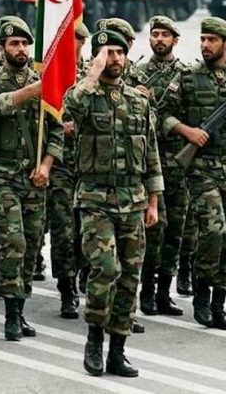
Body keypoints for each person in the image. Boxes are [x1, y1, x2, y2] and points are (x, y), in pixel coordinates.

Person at [65, 29, 161, 378]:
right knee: (105, 268)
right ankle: (94, 339)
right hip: (96, 198)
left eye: (120, 52)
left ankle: (118, 349)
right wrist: (92, 72)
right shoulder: (86, 95)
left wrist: (153, 202)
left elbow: (151, 154)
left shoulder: (138, 100)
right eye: (108, 52)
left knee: (130, 277)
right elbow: (70, 106)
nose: (115, 58)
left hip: (133, 200)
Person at [160, 17, 226, 332]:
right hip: (201, 169)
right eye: (203, 39)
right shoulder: (187, 77)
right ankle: (201, 295)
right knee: (214, 231)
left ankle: (219, 304)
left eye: (212, 40)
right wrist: (187, 131)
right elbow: (163, 114)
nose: (205, 45)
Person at [0, 18, 62, 341]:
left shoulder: (43, 80)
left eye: (25, 44)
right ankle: (10, 315)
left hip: (35, 178)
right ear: (2, 48)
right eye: (14, 44)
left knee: (32, 246)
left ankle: (21, 309)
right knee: (14, 242)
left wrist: (47, 166)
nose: (21, 49)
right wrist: (31, 92)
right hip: (2, 177)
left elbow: (56, 130)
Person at [134, 16, 189, 318]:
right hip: (150, 163)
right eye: (155, 34)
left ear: (175, 40)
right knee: (155, 229)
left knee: (176, 230)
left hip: (178, 162)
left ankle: (165, 292)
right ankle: (147, 291)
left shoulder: (186, 74)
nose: (159, 39)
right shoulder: (138, 74)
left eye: (165, 35)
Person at [47, 21, 90, 319]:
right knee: (63, 230)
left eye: (74, 41)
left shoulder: (91, 76)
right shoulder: (50, 74)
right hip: (61, 164)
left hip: (88, 165)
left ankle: (85, 272)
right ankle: (67, 288)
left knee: (86, 228)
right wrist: (60, 127)